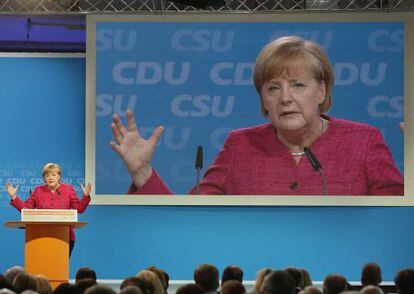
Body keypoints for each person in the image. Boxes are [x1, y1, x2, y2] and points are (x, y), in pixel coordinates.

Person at [110, 36, 403, 196]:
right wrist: (142, 174)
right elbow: (190, 219)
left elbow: (396, 221)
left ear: (321, 91)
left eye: (298, 85)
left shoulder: (363, 141)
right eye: (273, 87)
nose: (286, 97)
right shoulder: (240, 146)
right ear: (263, 98)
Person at [4, 163, 91, 255]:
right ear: (44, 178)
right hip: (41, 237)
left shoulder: (68, 189)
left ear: (59, 177)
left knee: (59, 267)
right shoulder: (38, 190)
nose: (50, 178)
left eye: (54, 175)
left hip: (66, 237)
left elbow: (79, 209)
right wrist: (14, 197)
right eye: (47, 175)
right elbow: (26, 209)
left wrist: (86, 196)